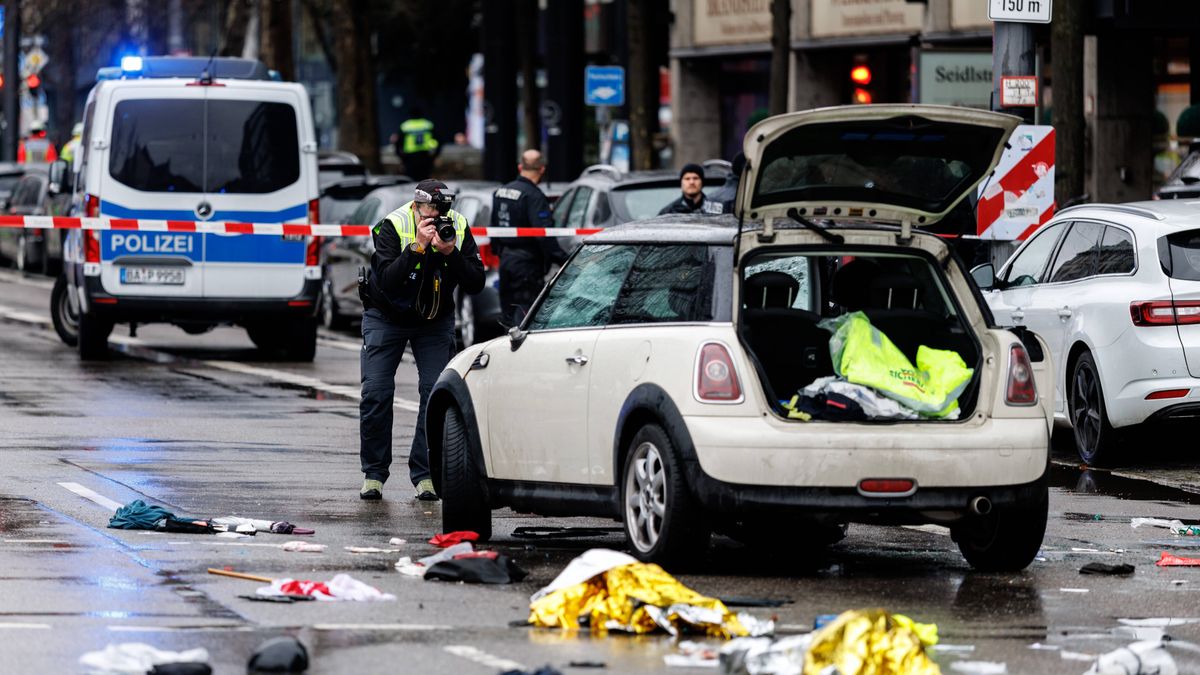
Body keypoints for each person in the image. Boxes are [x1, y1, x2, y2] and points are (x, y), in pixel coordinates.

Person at [358, 179, 485, 501]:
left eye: (443, 209)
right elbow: (387, 279)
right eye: (431, 209)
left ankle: (425, 474)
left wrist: (450, 252)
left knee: (435, 393)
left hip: (434, 320)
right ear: (416, 206)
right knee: (376, 392)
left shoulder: (457, 226)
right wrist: (416, 247)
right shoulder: (393, 224)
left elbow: (476, 282)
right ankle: (374, 473)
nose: (438, 216)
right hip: (386, 316)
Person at [490, 149, 568, 325]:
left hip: (506, 262)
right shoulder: (534, 196)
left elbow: (493, 228)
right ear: (542, 169)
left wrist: (501, 253)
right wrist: (564, 259)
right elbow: (543, 234)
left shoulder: (501, 191)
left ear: (520, 167)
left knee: (508, 316)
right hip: (527, 266)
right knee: (526, 317)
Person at [393, 106, 440, 181]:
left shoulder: (405, 126)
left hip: (410, 157)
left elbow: (397, 143)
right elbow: (438, 140)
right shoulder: (428, 125)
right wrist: (434, 155)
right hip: (424, 156)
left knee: (410, 180)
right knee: (425, 181)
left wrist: (401, 157)